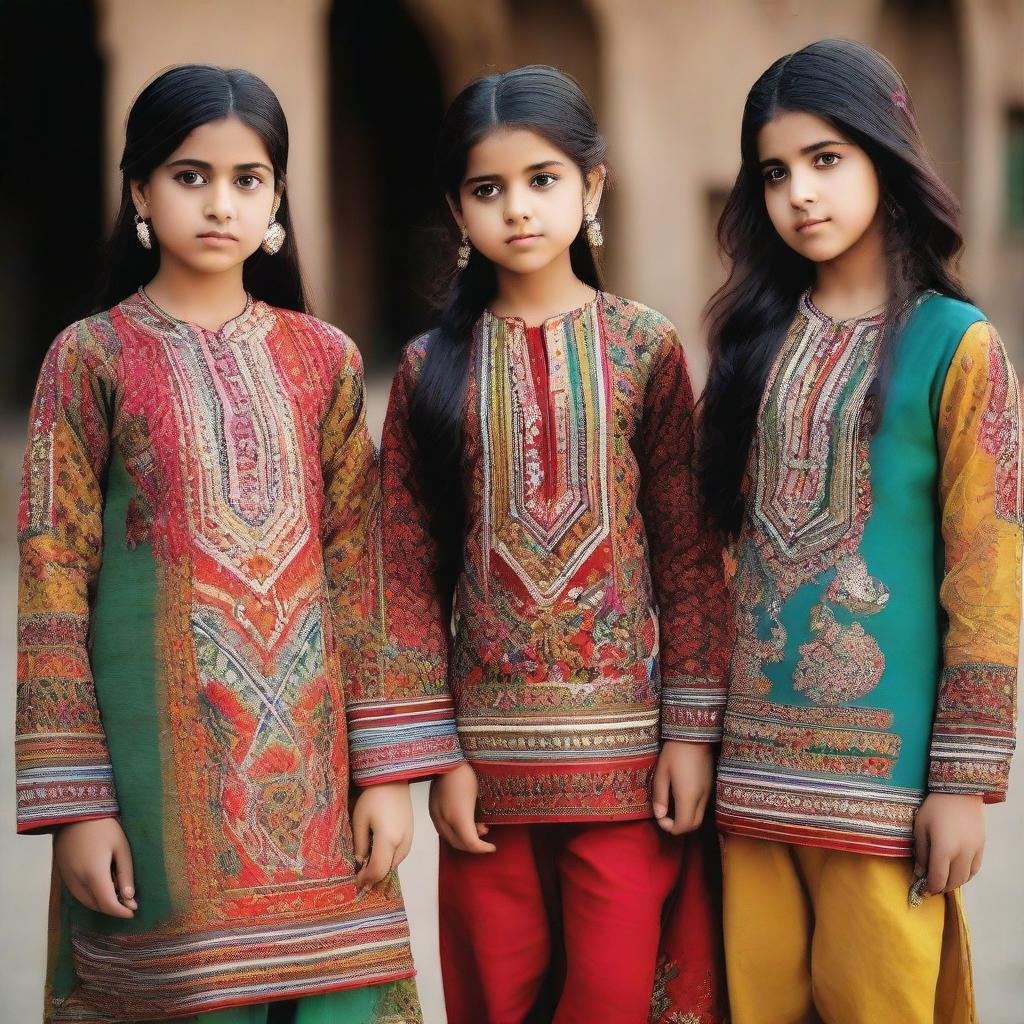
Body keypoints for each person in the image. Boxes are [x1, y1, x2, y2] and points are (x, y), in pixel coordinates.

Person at [15, 64, 424, 1024]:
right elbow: (50, 581)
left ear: (278, 200)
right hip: (159, 798)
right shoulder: (90, 358)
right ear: (139, 193)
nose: (220, 202)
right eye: (190, 176)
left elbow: (366, 576)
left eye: (249, 179)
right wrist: (77, 803)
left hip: (324, 801)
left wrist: (390, 774)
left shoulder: (324, 360)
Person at [378, 65, 730, 1024]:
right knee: (496, 1001)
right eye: (487, 190)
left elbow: (691, 555)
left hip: (628, 767)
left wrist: (692, 734)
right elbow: (405, 573)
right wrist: (433, 755)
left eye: (543, 180)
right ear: (457, 208)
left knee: (615, 997)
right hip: (484, 782)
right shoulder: (427, 369)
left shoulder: (645, 348)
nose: (519, 210)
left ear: (593, 187)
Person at [696, 38, 1021, 1024]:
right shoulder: (750, 345)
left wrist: (961, 780)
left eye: (826, 159)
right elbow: (717, 553)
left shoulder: (956, 345)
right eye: (775, 172)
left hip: (885, 790)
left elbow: (988, 570)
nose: (799, 192)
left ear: (886, 153)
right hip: (748, 777)